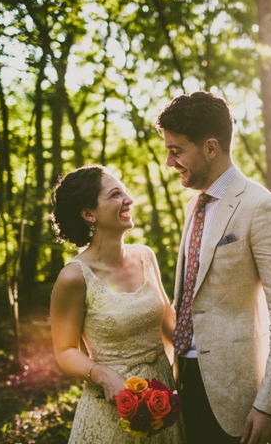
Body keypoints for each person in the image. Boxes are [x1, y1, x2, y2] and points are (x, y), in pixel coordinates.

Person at [154, 91, 271, 444]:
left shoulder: (262, 208)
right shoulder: (194, 206)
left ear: (211, 148)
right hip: (184, 382)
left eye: (176, 151)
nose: (169, 161)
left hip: (235, 397)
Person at [49, 164, 185, 443]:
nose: (128, 199)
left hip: (163, 402)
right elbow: (64, 350)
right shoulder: (74, 277)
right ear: (89, 214)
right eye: (114, 194)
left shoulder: (146, 256)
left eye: (124, 191)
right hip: (111, 409)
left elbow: (169, 323)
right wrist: (101, 374)